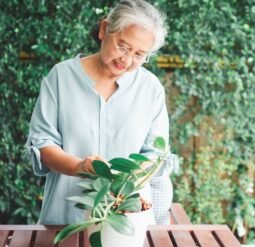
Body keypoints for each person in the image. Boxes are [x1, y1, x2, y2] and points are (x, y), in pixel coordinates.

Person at [25, 0, 177, 225]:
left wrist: (122, 179)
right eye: (123, 46)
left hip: (128, 220)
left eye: (139, 54)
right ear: (105, 29)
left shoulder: (150, 88)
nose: (126, 60)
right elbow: (43, 145)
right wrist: (80, 167)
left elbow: (155, 154)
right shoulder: (61, 77)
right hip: (66, 218)